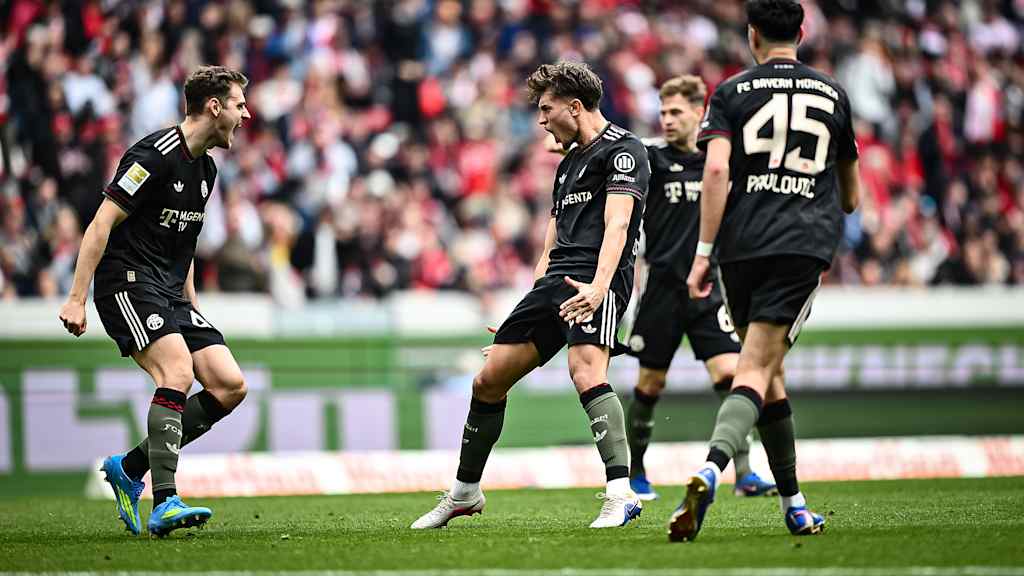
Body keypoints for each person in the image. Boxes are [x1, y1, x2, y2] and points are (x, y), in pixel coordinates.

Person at [411, 61, 649, 529]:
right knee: (488, 379)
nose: (540, 120)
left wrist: (600, 288)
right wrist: (525, 311)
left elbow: (619, 223)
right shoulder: (568, 163)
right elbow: (551, 240)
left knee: (586, 371)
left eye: (547, 109)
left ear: (575, 107)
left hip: (594, 279)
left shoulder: (624, 151)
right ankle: (464, 493)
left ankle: (621, 493)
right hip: (555, 283)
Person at [669, 0, 861, 541]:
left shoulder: (729, 92)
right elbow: (851, 197)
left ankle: (794, 505)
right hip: (800, 245)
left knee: (767, 369)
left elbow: (716, 168)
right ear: (801, 32)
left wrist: (703, 250)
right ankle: (712, 467)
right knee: (757, 366)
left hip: (740, 245)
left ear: (752, 35)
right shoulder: (833, 94)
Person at [58, 65, 252, 537]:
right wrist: (76, 298)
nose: (246, 115)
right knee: (178, 373)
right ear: (214, 106)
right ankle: (165, 502)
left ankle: (129, 466)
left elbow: (182, 246)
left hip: (168, 290)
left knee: (229, 385)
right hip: (126, 282)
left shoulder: (206, 169)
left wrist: (193, 308)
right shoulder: (154, 154)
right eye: (239, 104)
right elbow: (101, 223)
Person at [624, 75, 776, 501]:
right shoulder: (650, 157)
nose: (667, 119)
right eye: (663, 112)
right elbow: (604, 153)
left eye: (676, 112)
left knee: (731, 375)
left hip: (710, 291)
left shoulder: (719, 159)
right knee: (650, 384)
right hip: (662, 289)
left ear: (698, 112)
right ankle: (636, 471)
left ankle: (744, 472)